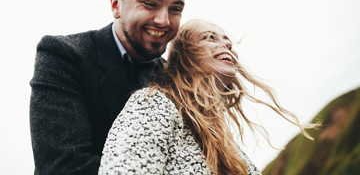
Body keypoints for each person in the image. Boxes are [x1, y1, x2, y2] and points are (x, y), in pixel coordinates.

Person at [29, 0, 193, 175]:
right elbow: (62, 168)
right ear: (116, 4)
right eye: (150, 4)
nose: (164, 20)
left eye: (175, 9)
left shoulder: (176, 80)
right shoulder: (63, 55)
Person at [98, 19, 315, 175]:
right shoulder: (152, 103)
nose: (227, 44)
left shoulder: (225, 141)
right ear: (184, 57)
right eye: (209, 37)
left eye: (227, 40)